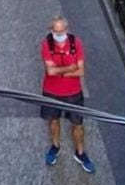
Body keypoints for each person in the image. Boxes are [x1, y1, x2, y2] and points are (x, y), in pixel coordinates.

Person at [39, 15, 95, 173]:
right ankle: (55, 146)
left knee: (78, 125)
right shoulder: (46, 44)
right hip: (51, 92)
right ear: (51, 30)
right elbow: (50, 70)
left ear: (67, 29)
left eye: (62, 30)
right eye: (56, 31)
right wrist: (70, 69)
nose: (59, 34)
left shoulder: (76, 43)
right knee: (53, 121)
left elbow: (81, 71)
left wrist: (60, 73)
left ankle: (80, 152)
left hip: (73, 93)